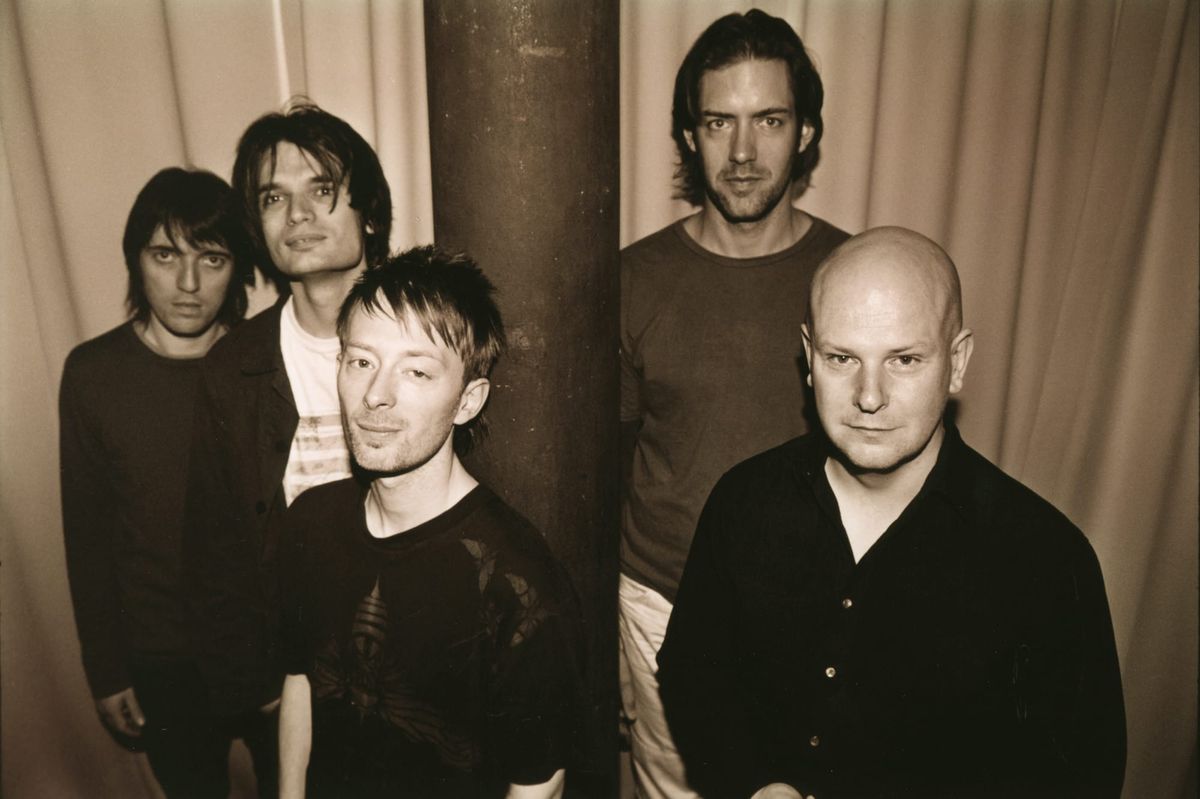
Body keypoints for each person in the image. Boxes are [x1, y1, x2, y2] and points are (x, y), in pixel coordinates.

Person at [656, 227, 1127, 798]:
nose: (869, 396)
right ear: (809, 358)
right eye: (841, 358)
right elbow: (693, 670)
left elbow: (1080, 775)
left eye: (904, 359)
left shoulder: (1045, 558)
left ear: (957, 362)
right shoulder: (744, 500)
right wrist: (754, 785)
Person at [619, 9, 849, 796]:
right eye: (719, 122)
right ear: (690, 136)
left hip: (815, 610)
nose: (743, 152)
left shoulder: (851, 277)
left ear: (806, 131)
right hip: (661, 600)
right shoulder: (633, 280)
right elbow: (610, 462)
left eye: (770, 120)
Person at [277, 246, 579, 798]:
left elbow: (537, 786)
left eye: (416, 371)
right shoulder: (310, 523)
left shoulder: (519, 584)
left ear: (468, 401)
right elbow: (302, 682)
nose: (376, 396)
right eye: (361, 361)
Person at [183, 100, 393, 784]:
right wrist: (261, 690)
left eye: (321, 189)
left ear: (369, 212)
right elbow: (214, 548)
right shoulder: (234, 368)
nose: (297, 215)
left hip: (418, 671)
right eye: (274, 198)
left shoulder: (430, 337)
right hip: (293, 678)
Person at [60, 167, 257, 796]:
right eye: (166, 255)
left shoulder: (264, 364)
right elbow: (87, 534)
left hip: (266, 651)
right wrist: (106, 669)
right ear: (136, 261)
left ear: (239, 268)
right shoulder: (93, 375)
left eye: (212, 258)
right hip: (161, 660)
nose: (189, 283)